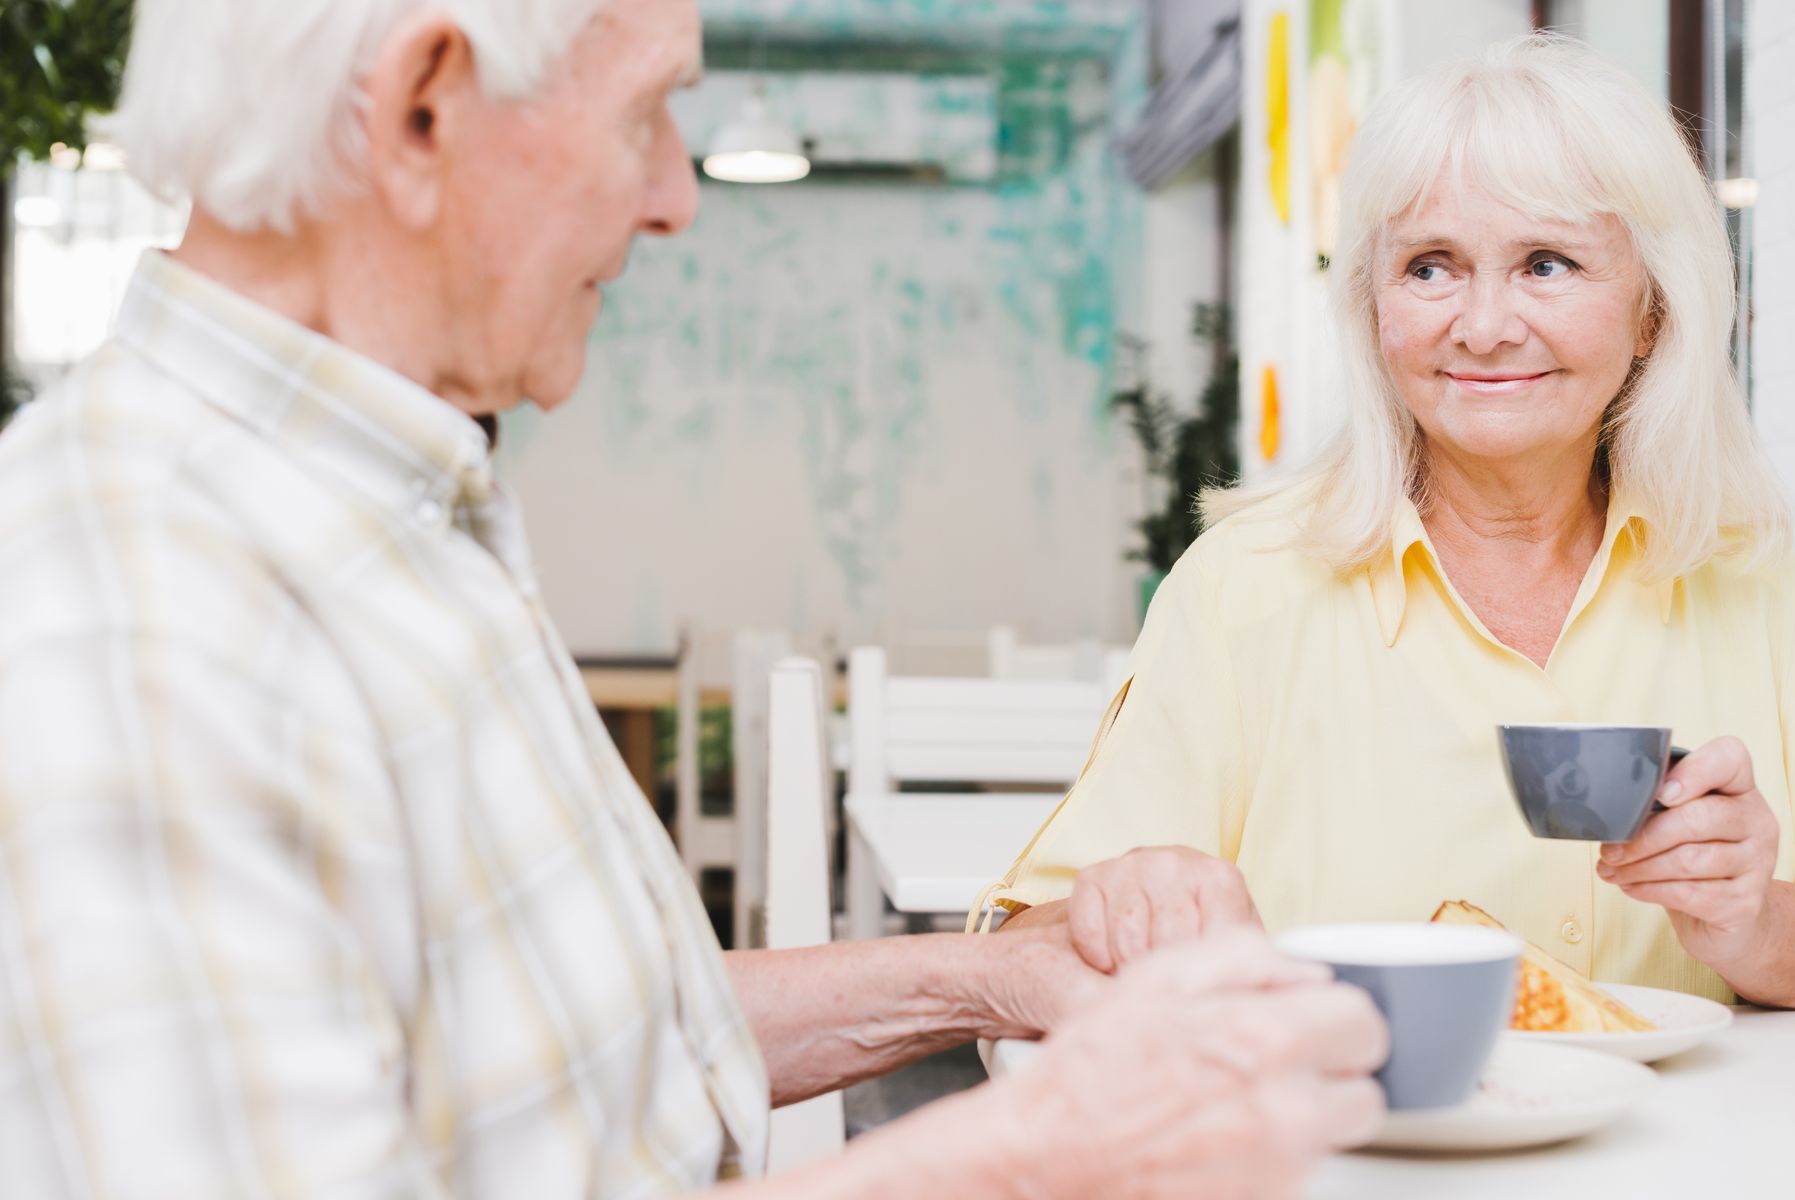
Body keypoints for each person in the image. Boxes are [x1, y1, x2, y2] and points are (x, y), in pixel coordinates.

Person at [0, 2, 1387, 1196]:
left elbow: (597, 1048)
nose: (676, 195)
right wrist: (1041, 1149)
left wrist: (993, 980)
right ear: (425, 111)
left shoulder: (381, 508)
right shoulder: (132, 610)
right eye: (645, 115)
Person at [985, 34, 1795, 1010]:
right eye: (1429, 267)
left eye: (1546, 264)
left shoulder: (1765, 584)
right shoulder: (1245, 588)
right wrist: (1124, 914)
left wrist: (1757, 925)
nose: (1483, 327)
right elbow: (1024, 953)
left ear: (1651, 313)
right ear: (1374, 307)